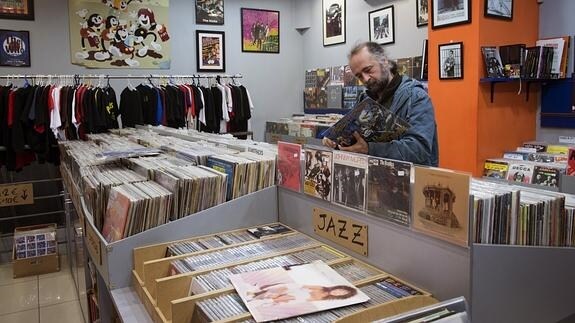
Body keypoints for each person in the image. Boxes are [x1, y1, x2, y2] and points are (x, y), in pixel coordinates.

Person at [323, 42, 439, 166]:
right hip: (375, 179)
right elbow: (354, 135)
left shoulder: (416, 97)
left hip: (410, 181)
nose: (366, 79)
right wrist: (335, 140)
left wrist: (370, 149)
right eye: (359, 76)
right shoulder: (365, 99)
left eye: (368, 70)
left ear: (384, 61)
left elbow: (419, 150)